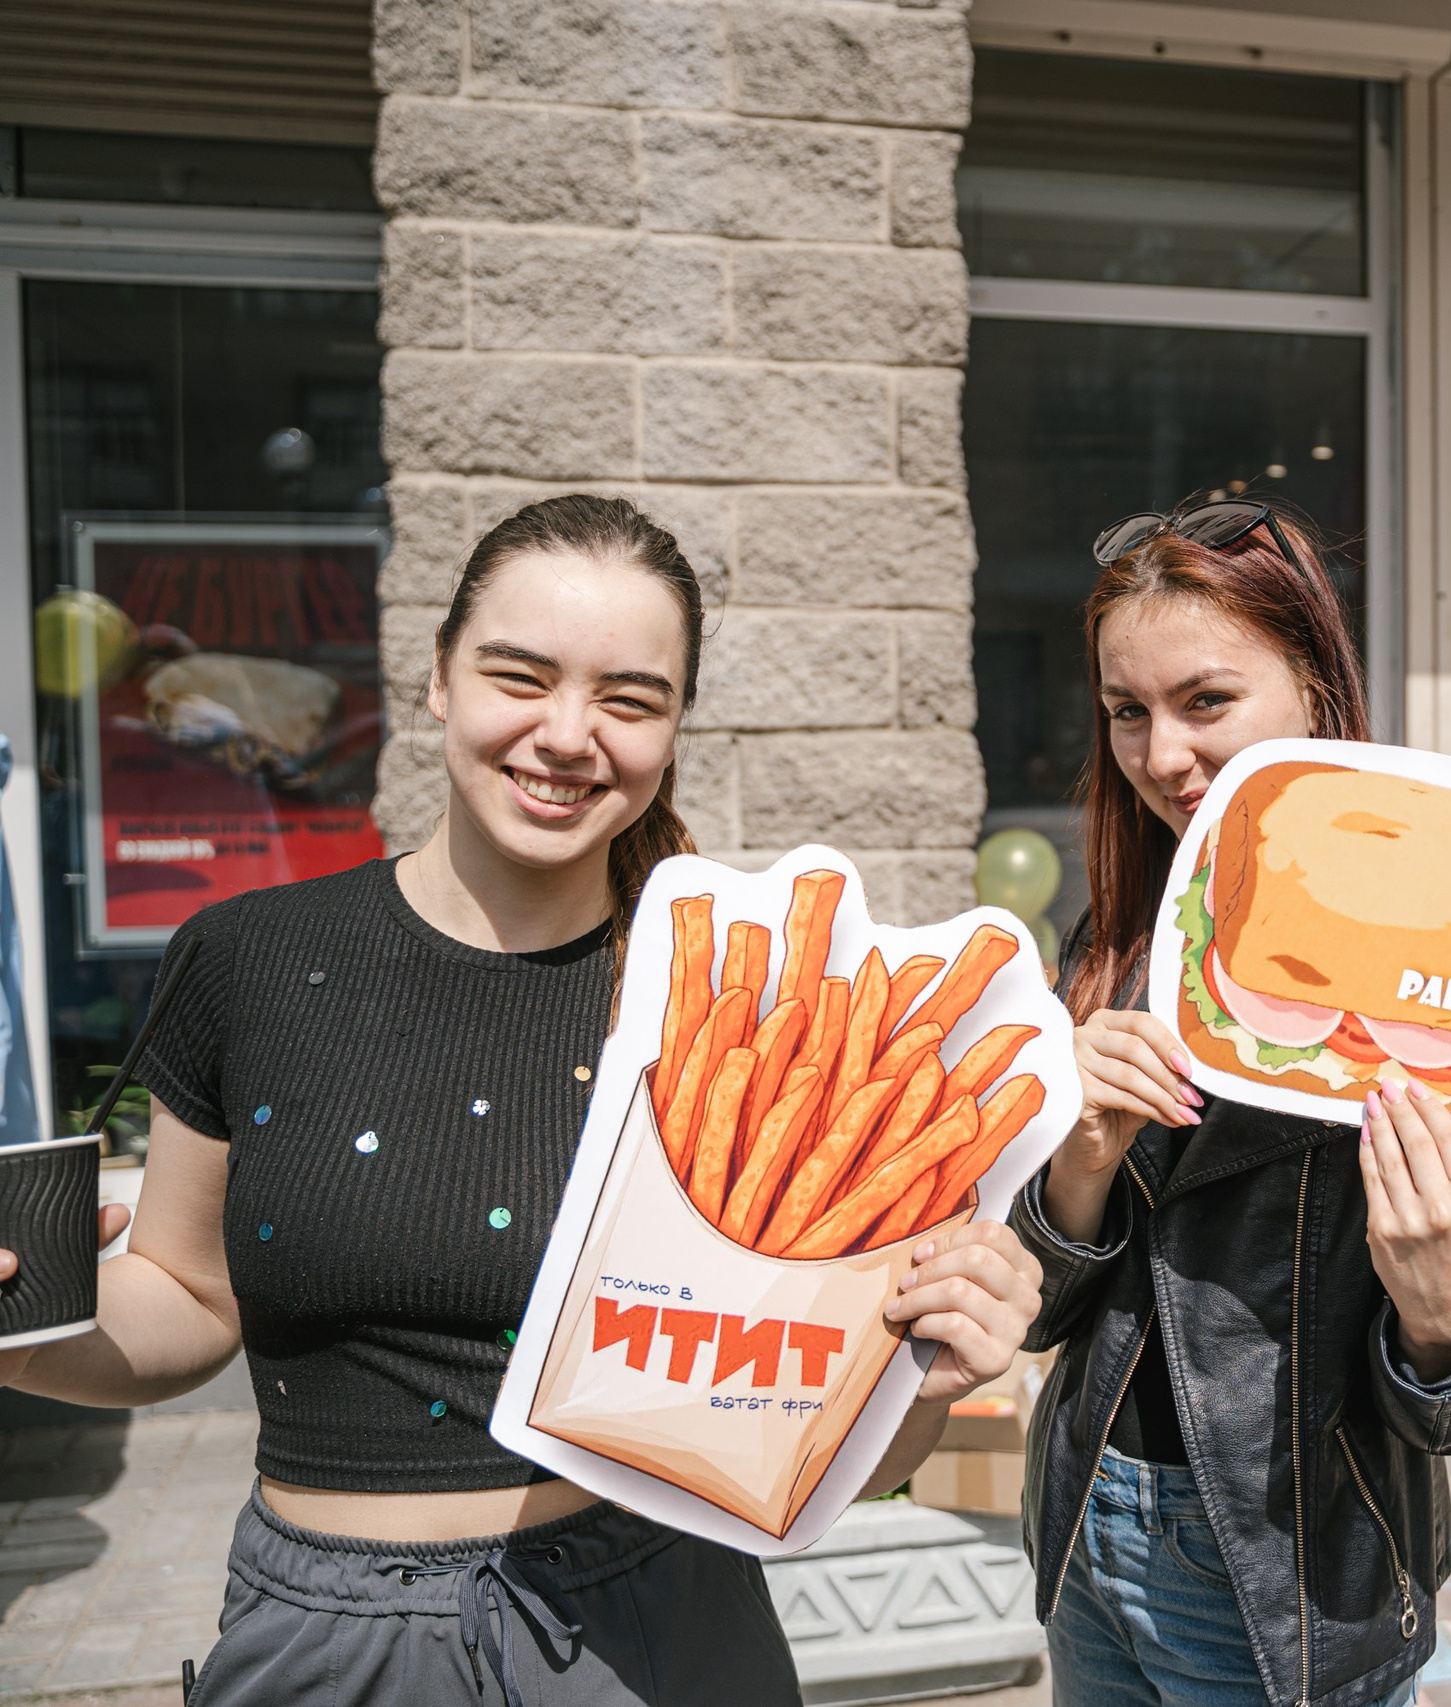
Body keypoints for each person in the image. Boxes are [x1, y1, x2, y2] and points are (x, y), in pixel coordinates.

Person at [0, 496, 1044, 1706]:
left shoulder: (738, 1011)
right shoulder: (249, 957)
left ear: (673, 729)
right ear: (440, 677)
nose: (566, 734)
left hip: (660, 1625)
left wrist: (930, 1373)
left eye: (629, 698)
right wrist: (28, 1332)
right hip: (324, 1644)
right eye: (520, 675)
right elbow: (183, 1294)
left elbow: (808, 1442)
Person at [1011, 496, 1451, 1707]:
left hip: (1288, 1572)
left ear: (1315, 694)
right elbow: (1040, 1314)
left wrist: (1449, 1322)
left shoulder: (1434, 972)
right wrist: (1079, 1164)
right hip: (1087, 1528)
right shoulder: (1124, 937)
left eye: (1205, 701)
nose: (1162, 754)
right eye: (1127, 712)